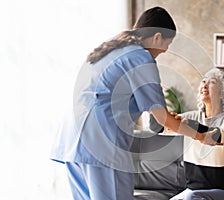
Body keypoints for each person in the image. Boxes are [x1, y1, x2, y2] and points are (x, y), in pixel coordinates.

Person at [50, 7, 209, 200]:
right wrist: (201, 136)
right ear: (158, 37)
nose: (163, 52)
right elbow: (163, 119)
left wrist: (165, 116)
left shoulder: (110, 49)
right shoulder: (141, 57)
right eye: (167, 45)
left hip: (72, 138)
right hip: (101, 142)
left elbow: (145, 109)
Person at [159, 68, 224, 199]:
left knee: (192, 197)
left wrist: (191, 125)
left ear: (223, 92)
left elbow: (219, 136)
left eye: (212, 82)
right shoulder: (191, 116)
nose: (205, 84)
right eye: (203, 81)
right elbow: (161, 127)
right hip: (194, 191)